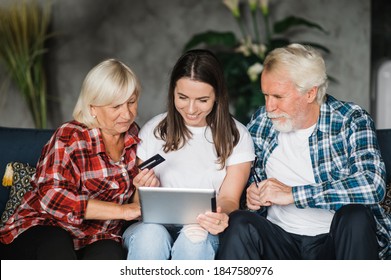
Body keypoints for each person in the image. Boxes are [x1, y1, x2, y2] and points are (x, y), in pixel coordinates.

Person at [216, 43, 391, 260]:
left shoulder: (350, 119)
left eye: (278, 97)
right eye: (266, 95)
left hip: (334, 240)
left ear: (310, 93)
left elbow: (372, 184)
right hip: (280, 240)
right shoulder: (262, 121)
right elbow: (240, 181)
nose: (269, 106)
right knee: (240, 222)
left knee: (356, 215)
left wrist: (293, 194)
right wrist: (251, 196)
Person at [0, 58, 153, 259]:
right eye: (116, 106)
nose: (126, 113)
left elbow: (136, 207)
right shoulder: (69, 136)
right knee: (57, 244)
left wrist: (143, 189)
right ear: (92, 108)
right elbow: (53, 198)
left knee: (110, 254)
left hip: (97, 236)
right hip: (44, 227)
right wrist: (122, 211)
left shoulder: (136, 137)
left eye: (131, 102)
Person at [122, 49, 255, 260]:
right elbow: (138, 202)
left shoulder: (237, 135)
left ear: (217, 97)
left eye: (202, 100)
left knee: (194, 239)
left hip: (203, 227)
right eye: (182, 97)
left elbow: (230, 199)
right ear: (172, 92)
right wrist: (141, 188)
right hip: (151, 226)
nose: (191, 109)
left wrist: (220, 215)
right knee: (151, 237)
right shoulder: (153, 130)